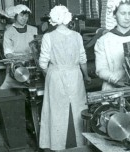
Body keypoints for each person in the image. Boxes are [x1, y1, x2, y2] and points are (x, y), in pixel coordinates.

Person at [38, 5, 91, 151]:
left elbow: (43, 63)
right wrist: (86, 76)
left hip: (55, 76)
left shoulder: (48, 37)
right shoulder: (77, 36)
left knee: (56, 109)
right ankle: (78, 144)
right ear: (68, 19)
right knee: (77, 107)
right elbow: (83, 60)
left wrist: (48, 73)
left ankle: (57, 145)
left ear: (53, 19)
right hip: (75, 75)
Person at [94, 0, 130, 91]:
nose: (127, 18)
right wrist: (114, 79)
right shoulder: (103, 41)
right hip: (112, 90)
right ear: (114, 15)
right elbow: (100, 69)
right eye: (123, 13)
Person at [0, 4, 38, 89]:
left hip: (33, 62)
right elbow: (8, 53)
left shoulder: (34, 30)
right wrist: (21, 58)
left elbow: (38, 48)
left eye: (26, 16)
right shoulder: (9, 32)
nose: (24, 18)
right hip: (16, 64)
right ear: (15, 16)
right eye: (22, 15)